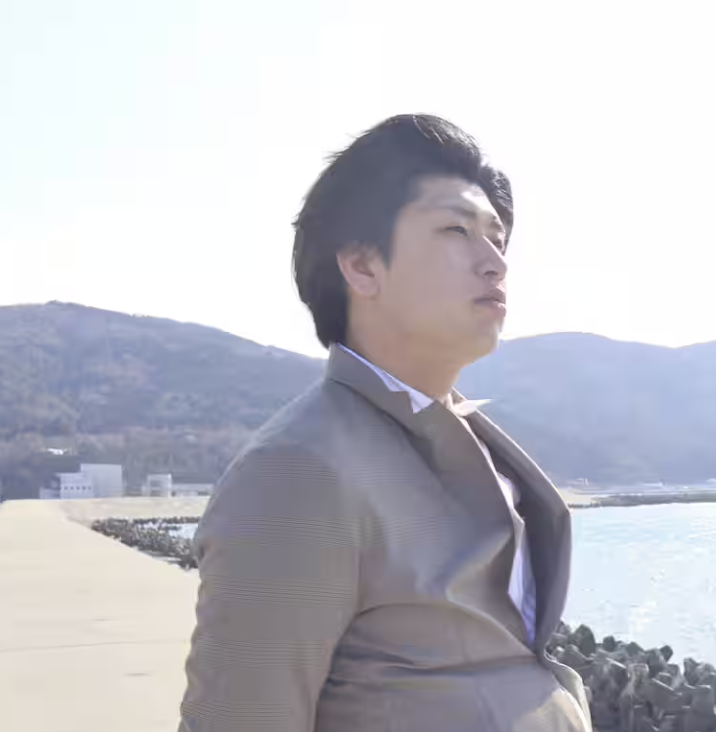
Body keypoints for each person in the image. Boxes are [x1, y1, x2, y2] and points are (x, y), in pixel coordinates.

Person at [179, 114, 592, 732]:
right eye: (456, 230)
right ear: (363, 267)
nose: (494, 262)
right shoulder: (298, 470)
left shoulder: (472, 441)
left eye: (498, 239)